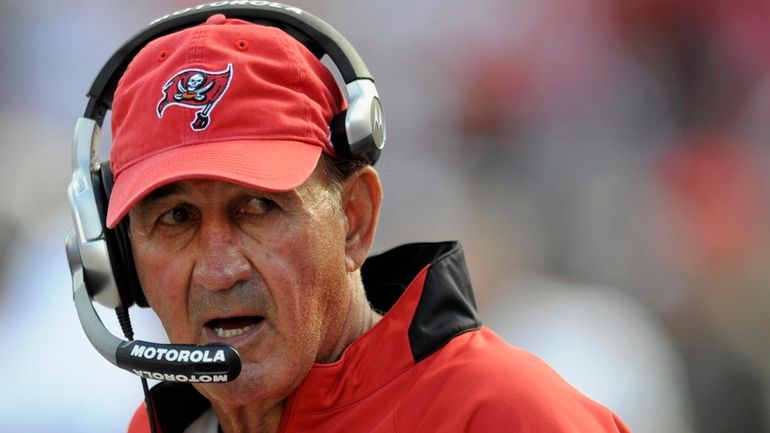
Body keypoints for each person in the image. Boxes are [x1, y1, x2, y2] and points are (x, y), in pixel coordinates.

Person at [85, 6, 632, 433]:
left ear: (354, 219)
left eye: (257, 207)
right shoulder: (156, 427)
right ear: (118, 261)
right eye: (176, 217)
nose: (220, 270)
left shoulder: (505, 417)